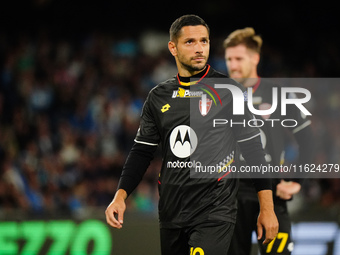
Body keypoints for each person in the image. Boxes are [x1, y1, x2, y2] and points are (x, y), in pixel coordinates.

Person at [105, 15, 278, 255]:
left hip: (214, 211)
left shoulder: (229, 92)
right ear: (172, 47)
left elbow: (253, 150)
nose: (199, 49)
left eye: (204, 41)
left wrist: (267, 208)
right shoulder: (158, 97)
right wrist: (120, 196)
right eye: (190, 42)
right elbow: (142, 151)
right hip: (171, 213)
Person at [223, 27, 314, 255]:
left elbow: (308, 139)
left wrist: (298, 181)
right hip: (231, 196)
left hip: (272, 194)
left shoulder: (277, 93)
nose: (232, 65)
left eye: (238, 58)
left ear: (255, 58)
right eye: (228, 59)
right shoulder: (219, 97)